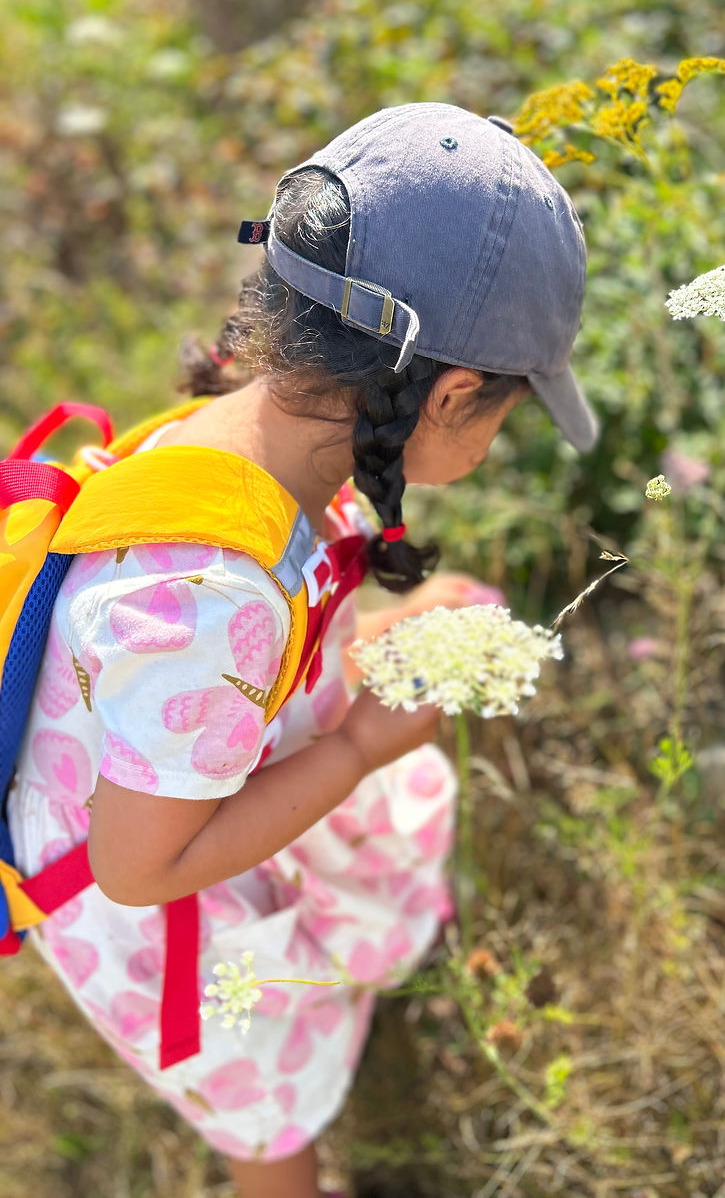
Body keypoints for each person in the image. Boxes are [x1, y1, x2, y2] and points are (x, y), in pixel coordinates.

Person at [8, 102, 597, 1198]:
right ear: (455, 393)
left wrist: (366, 636)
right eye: (503, 412)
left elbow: (241, 665)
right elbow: (140, 867)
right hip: (165, 911)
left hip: (173, 793)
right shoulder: (208, 599)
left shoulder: (232, 437)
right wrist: (361, 747)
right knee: (267, 1104)